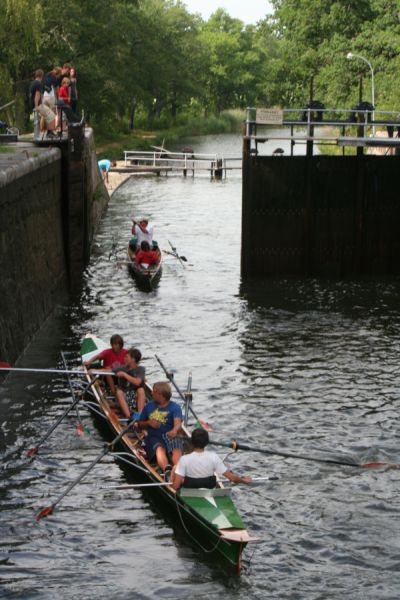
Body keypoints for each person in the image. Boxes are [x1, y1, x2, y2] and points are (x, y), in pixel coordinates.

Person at [172, 428, 252, 490]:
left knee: (175, 468)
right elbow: (232, 478)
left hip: (189, 490)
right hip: (209, 488)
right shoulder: (214, 457)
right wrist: (244, 481)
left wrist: (170, 487)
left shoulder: (184, 459)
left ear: (192, 442)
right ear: (207, 443)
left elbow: (175, 486)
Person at [136, 381, 183, 476]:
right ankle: (167, 469)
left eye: (154, 391)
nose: (151, 393)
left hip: (169, 436)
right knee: (159, 449)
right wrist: (148, 423)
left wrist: (174, 431)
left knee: (176, 448)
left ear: (160, 395)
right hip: (154, 437)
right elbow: (139, 424)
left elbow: (178, 423)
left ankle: (178, 469)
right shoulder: (149, 406)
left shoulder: (175, 407)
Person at [113, 348, 146, 417]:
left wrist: (124, 375)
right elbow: (110, 371)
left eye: (126, 357)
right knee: (119, 392)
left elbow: (137, 382)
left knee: (141, 390)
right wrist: (94, 370)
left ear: (133, 359)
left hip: (135, 396)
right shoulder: (123, 368)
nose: (124, 358)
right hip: (124, 395)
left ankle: (140, 415)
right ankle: (129, 417)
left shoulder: (141, 369)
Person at [29, 69, 57, 139]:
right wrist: (36, 106)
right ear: (41, 76)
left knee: (48, 115)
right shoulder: (38, 83)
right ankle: (49, 133)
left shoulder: (33, 82)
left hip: (33, 103)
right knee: (51, 115)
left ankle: (49, 132)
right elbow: (37, 95)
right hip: (37, 105)